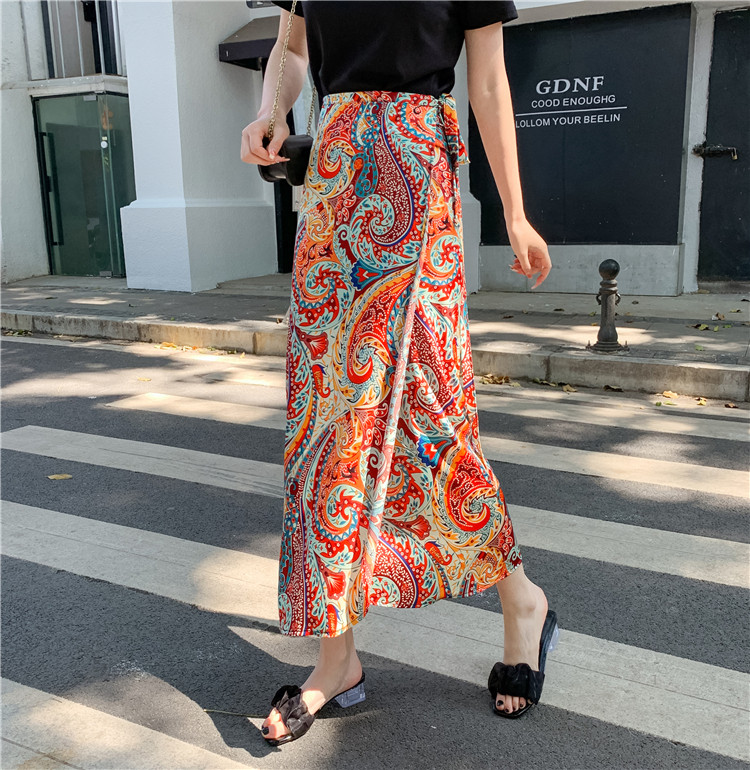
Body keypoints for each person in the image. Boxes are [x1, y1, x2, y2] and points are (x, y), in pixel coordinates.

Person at [240, 0, 557, 745]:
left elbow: (487, 82)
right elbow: (293, 47)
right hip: (334, 186)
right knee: (328, 425)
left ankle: (522, 600)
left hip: (418, 182)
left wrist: (514, 211)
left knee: (436, 419)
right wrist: (270, 110)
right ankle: (336, 659)